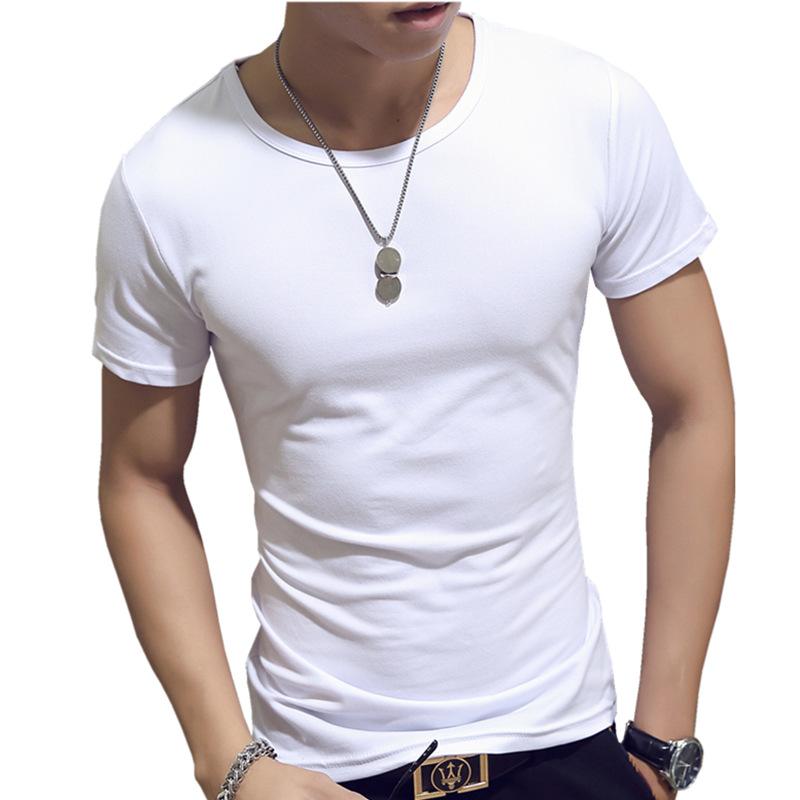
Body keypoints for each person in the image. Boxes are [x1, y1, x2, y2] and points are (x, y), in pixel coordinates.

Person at [95, 4, 734, 800]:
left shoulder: (589, 108)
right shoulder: (169, 183)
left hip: (562, 742)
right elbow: (140, 477)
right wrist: (225, 760)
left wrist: (663, 740)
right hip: (325, 764)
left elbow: (692, 402)